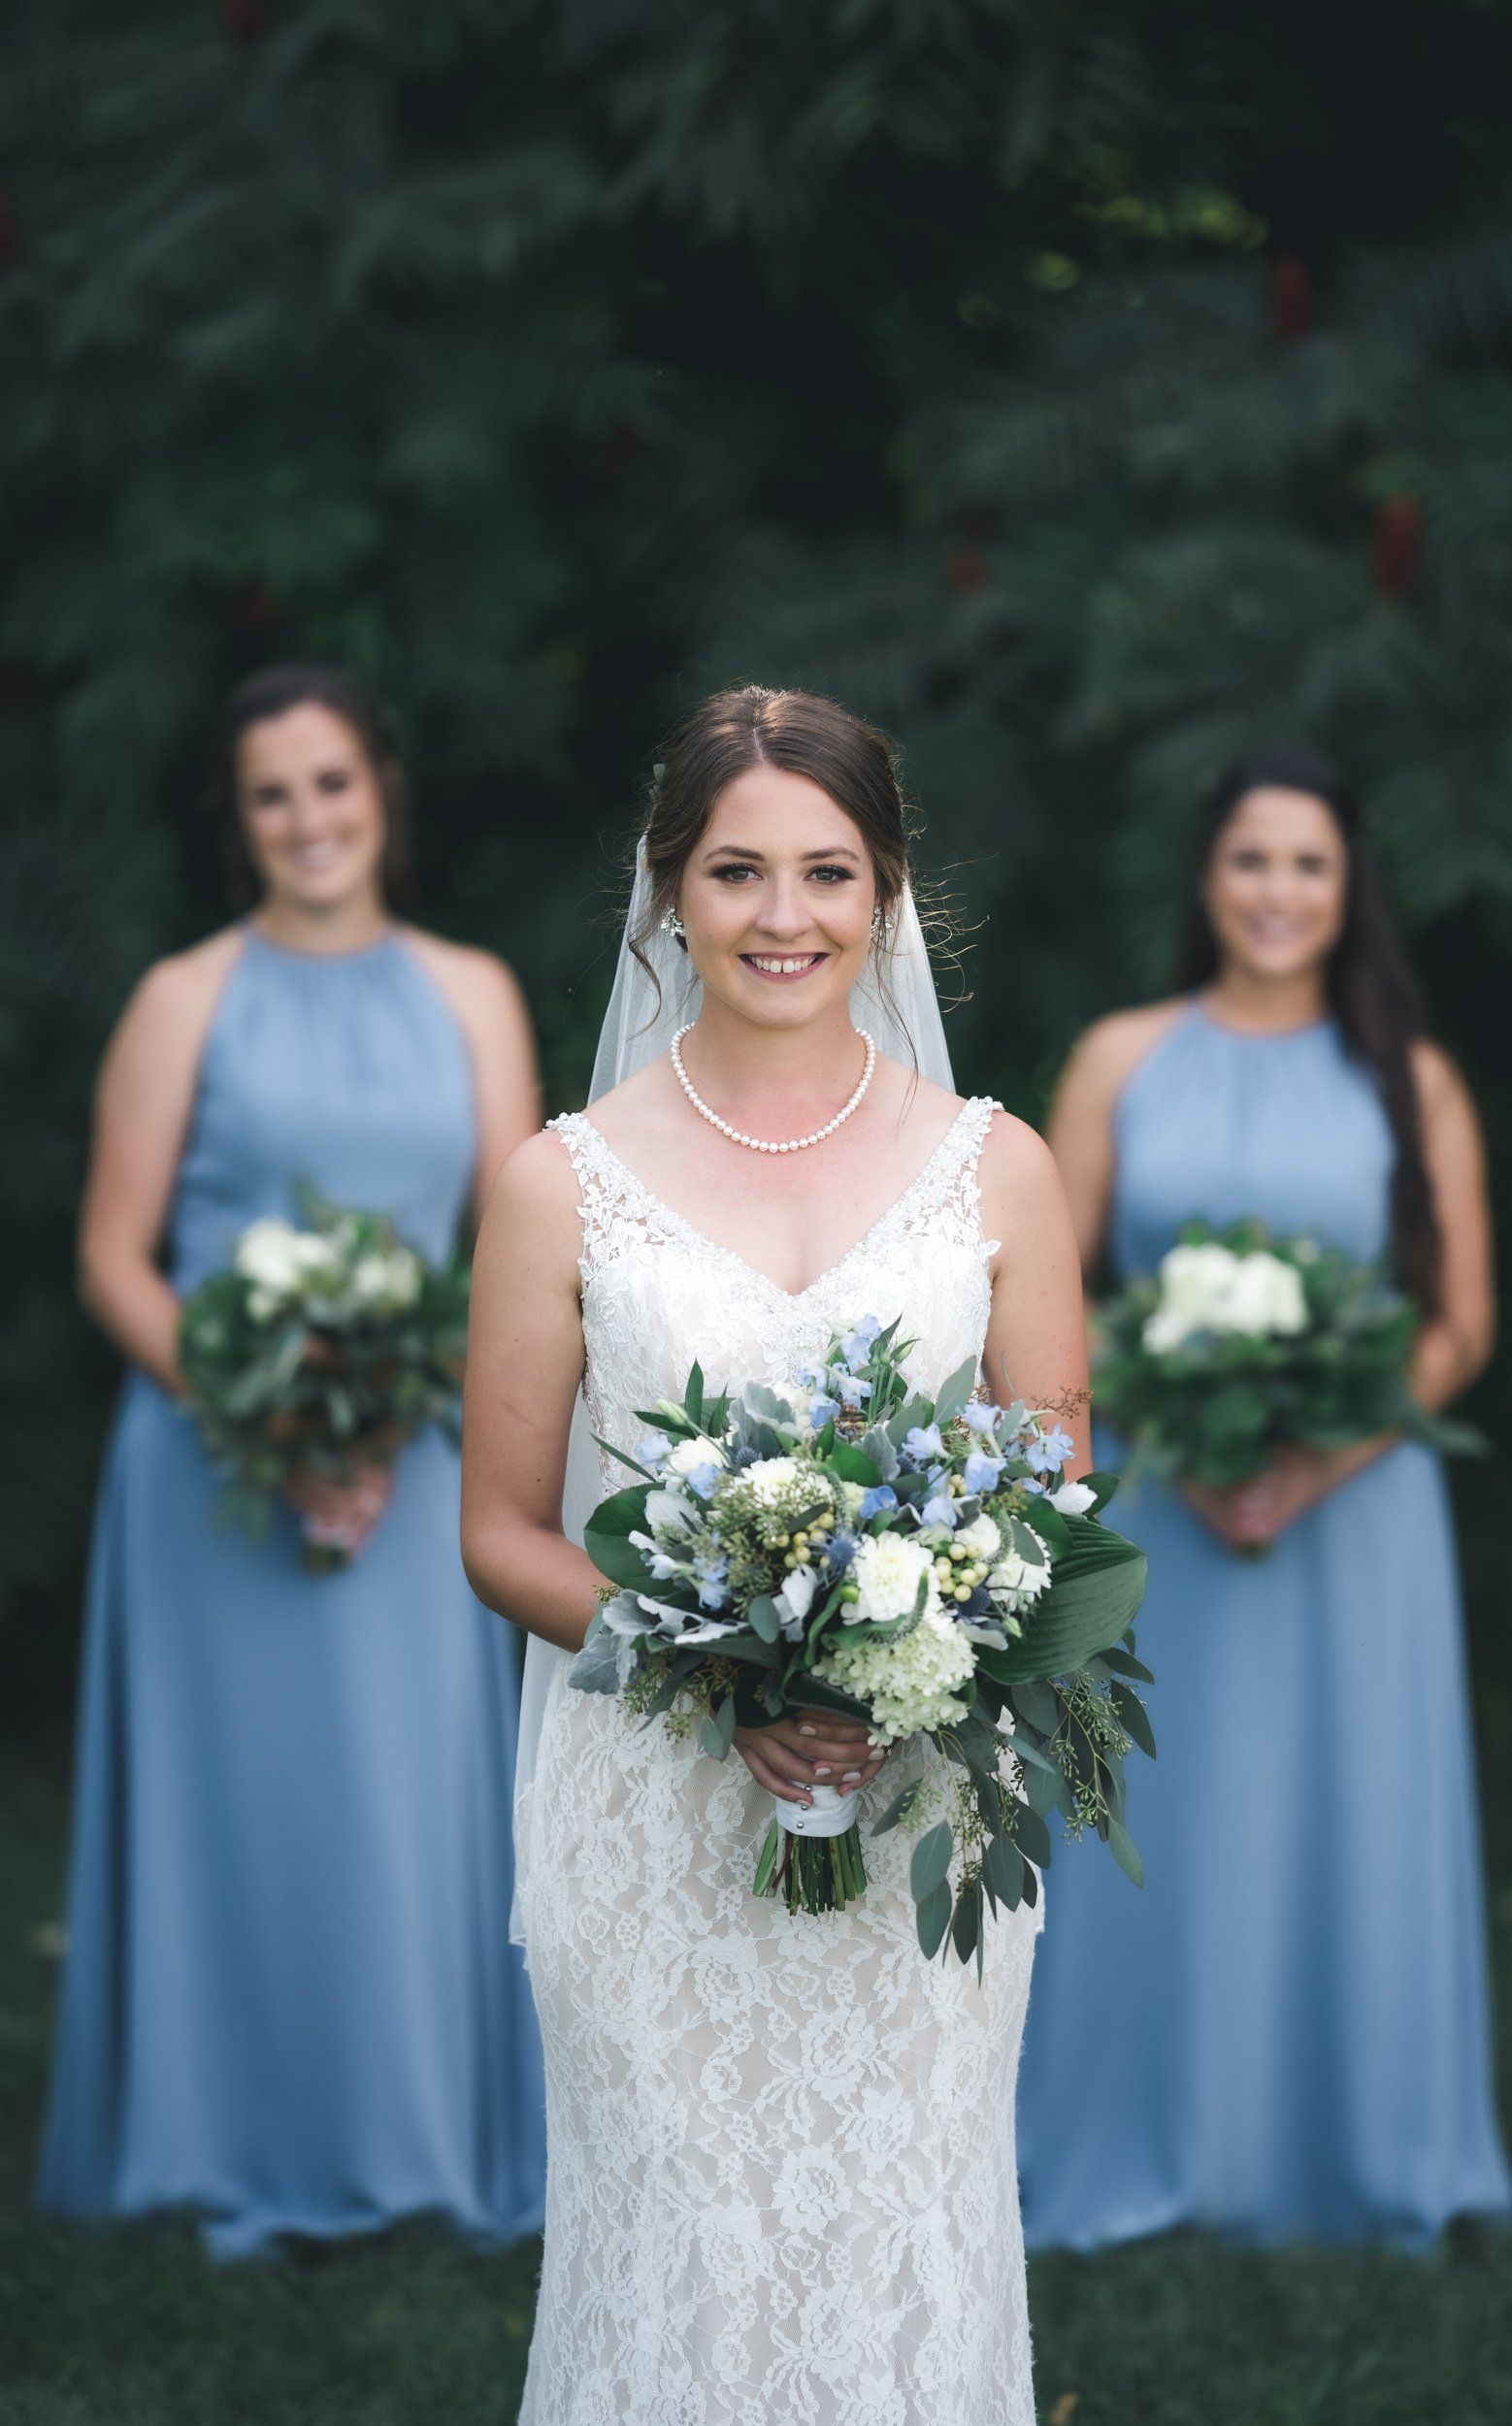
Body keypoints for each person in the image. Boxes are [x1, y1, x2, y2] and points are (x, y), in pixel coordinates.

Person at [461, 685, 1089, 2426]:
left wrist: (915, 1671)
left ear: (888, 895)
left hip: (915, 1813)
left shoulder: (1000, 1171)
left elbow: (1051, 1512)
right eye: (737, 872)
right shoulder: (560, 1184)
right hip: (645, 1815)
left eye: (826, 873)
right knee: (687, 2253)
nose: (784, 917)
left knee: (904, 2233)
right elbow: (501, 1532)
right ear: (666, 894)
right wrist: (718, 1663)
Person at [37, 663, 548, 2257]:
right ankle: (224, 2136)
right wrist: (264, 1414)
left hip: (418, 1469)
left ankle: (417, 2143)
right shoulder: (185, 997)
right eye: (274, 793)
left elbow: (517, 1250)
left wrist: (396, 1417)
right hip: (216, 1467)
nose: (310, 818)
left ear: (382, 789)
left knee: (406, 1814)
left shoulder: (474, 991)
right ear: (237, 818)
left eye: (333, 782)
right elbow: (117, 1261)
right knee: (240, 1812)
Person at [1018, 745, 1512, 2248]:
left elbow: (1459, 1323)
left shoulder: (1410, 1080)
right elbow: (1051, 1294)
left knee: (1346, 1820)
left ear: (1349, 885)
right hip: (1163, 1509)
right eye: (1251, 859)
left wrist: (1316, 1454)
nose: (1279, 891)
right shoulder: (1120, 1056)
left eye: (1309, 863)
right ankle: (1133, 2138)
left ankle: (1355, 2155)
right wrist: (1163, 1410)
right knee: (1160, 1824)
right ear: (1206, 877)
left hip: (1355, 1521)